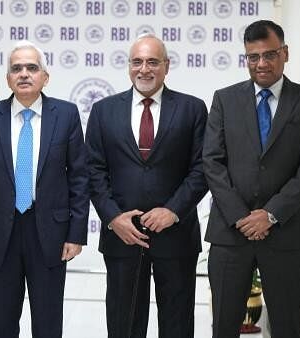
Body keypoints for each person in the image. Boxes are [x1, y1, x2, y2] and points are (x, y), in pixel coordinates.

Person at [203, 20, 300, 338]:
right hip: (230, 234)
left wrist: (270, 215)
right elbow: (212, 163)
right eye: (252, 56)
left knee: (286, 327)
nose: (261, 63)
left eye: (269, 55)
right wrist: (243, 218)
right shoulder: (224, 100)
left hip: (287, 234)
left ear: (285, 53)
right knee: (223, 327)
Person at [85, 34, 208, 338]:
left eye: (153, 61)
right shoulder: (103, 111)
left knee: (177, 323)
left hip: (176, 235)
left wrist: (172, 211)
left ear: (166, 66)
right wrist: (113, 218)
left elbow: (202, 168)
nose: (144, 69)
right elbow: (93, 170)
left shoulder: (192, 109)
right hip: (123, 237)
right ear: (129, 66)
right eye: (137, 61)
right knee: (124, 323)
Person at [0, 40, 89, 338]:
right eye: (16, 68)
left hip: (49, 230)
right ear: (7, 78)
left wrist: (76, 233)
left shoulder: (67, 114)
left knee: (47, 322)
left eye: (32, 68)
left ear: (45, 77)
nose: (24, 74)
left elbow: (79, 177)